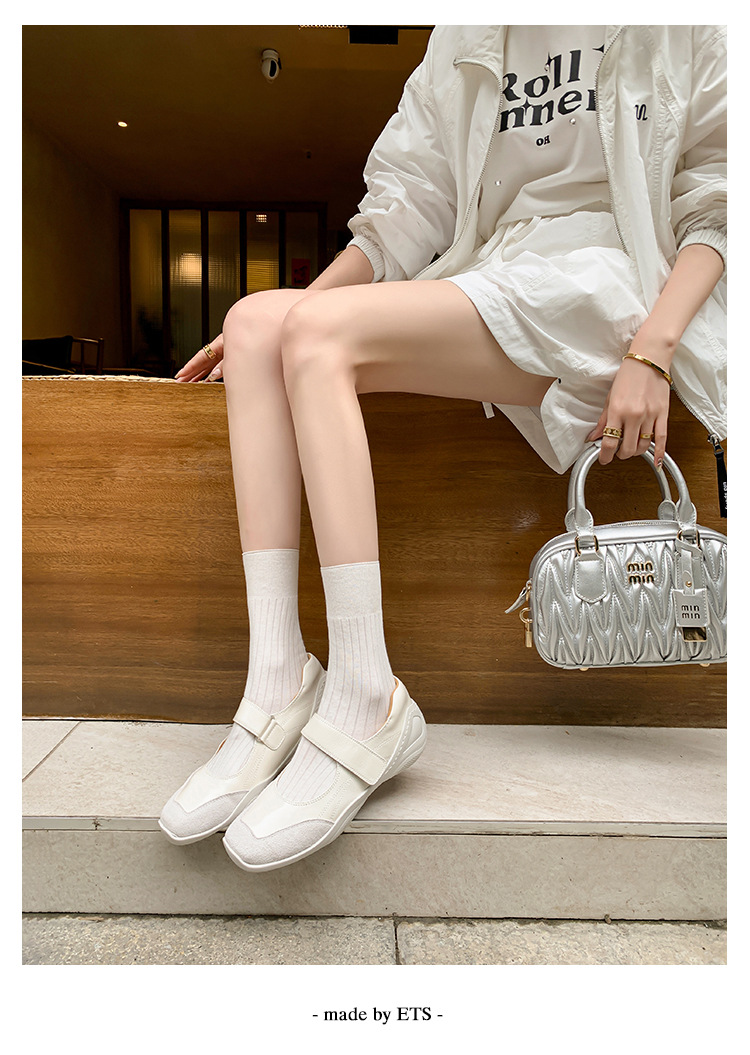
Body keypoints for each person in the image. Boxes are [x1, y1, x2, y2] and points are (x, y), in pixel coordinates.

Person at [158, 25, 726, 872]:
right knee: (251, 323)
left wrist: (654, 350)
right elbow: (403, 207)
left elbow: (718, 201)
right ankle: (277, 678)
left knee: (313, 335)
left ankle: (367, 695)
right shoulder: (467, 30)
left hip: (614, 285)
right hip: (496, 272)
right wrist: (279, 331)